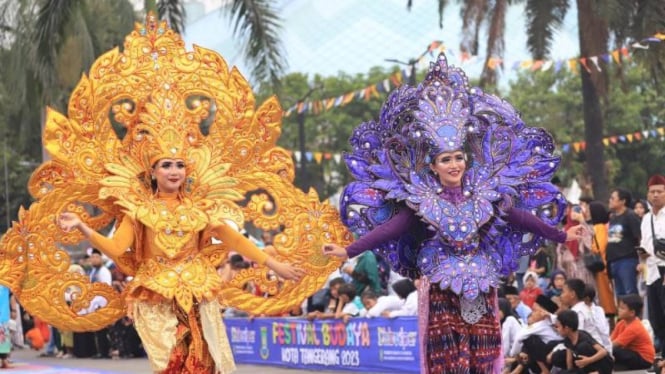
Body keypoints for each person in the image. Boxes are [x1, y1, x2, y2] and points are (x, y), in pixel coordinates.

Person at [322, 54, 583, 373]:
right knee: (450, 358)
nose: (454, 164)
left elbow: (521, 218)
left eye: (459, 157)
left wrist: (561, 234)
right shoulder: (420, 199)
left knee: (483, 354)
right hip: (442, 285)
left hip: (483, 283)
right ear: (433, 166)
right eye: (446, 159)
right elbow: (389, 229)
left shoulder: (486, 193)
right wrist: (348, 250)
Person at [641, 175, 665, 371]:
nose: (655, 195)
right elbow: (644, 244)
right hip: (651, 272)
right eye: (652, 192)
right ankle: (662, 358)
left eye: (659, 191)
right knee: (656, 319)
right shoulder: (646, 218)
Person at [606, 188, 642, 296]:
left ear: (623, 201)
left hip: (627, 260)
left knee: (630, 293)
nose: (610, 200)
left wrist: (641, 260)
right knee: (620, 295)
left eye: (613, 198)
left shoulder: (630, 216)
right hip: (614, 261)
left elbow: (639, 237)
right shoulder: (613, 217)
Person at [553, 310, 613, 374]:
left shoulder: (583, 336)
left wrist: (588, 360)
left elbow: (603, 352)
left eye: (558, 327)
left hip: (603, 364)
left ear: (566, 328)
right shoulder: (568, 339)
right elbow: (569, 359)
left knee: (582, 347)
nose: (556, 329)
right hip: (586, 365)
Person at [585, 201, 616, 319]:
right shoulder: (598, 227)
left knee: (606, 297)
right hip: (601, 267)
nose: (587, 213)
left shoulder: (599, 228)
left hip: (602, 266)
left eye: (589, 211)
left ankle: (611, 316)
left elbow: (600, 246)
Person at [611, 294, 655, 371]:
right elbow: (611, 340)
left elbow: (614, 345)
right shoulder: (621, 323)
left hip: (644, 359)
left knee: (613, 351)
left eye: (622, 308)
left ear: (632, 313)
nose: (619, 310)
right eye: (619, 307)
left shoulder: (634, 327)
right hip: (632, 354)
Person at [0, 286, 11, 369]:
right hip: (3, 314)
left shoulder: (5, 283)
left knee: (4, 340)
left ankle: (4, 360)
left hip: (4, 315)